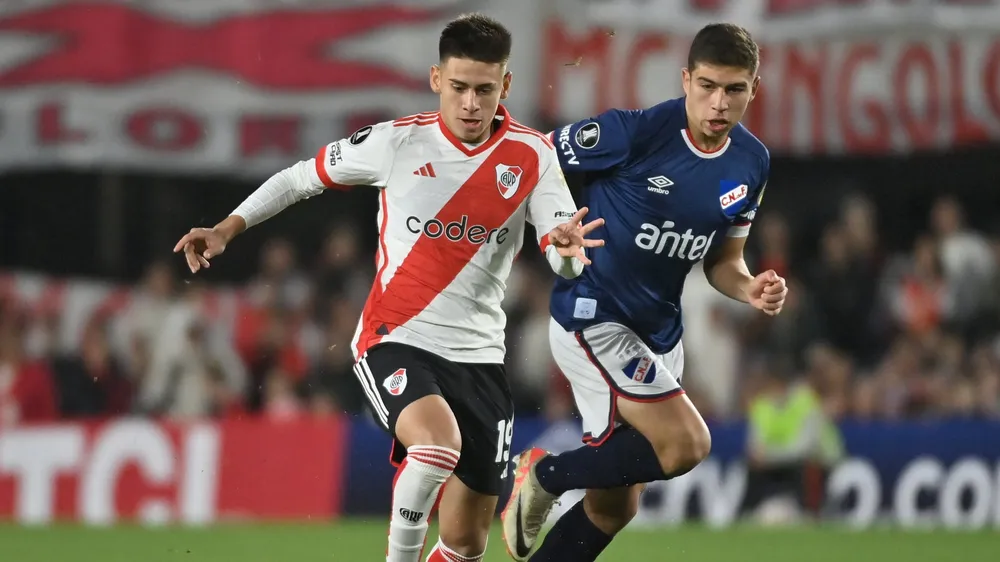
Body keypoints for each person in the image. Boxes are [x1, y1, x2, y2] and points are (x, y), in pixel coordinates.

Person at [172, 14, 605, 562]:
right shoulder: (397, 142)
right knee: (435, 446)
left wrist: (566, 254)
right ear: (436, 78)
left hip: (480, 358)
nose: (471, 103)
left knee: (466, 545)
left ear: (506, 85)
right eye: (459, 87)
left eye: (484, 90)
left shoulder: (533, 155)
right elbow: (300, 178)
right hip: (396, 336)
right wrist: (227, 228)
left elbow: (565, 259)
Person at [501, 23, 787, 561]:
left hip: (659, 333)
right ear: (685, 80)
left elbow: (722, 262)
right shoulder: (635, 133)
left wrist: (749, 288)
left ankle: (551, 482)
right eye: (707, 86)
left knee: (614, 508)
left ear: (754, 89)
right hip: (594, 316)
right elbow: (534, 157)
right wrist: (555, 224)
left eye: (734, 89)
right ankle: (544, 473)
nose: (719, 103)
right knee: (685, 444)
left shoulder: (752, 162)